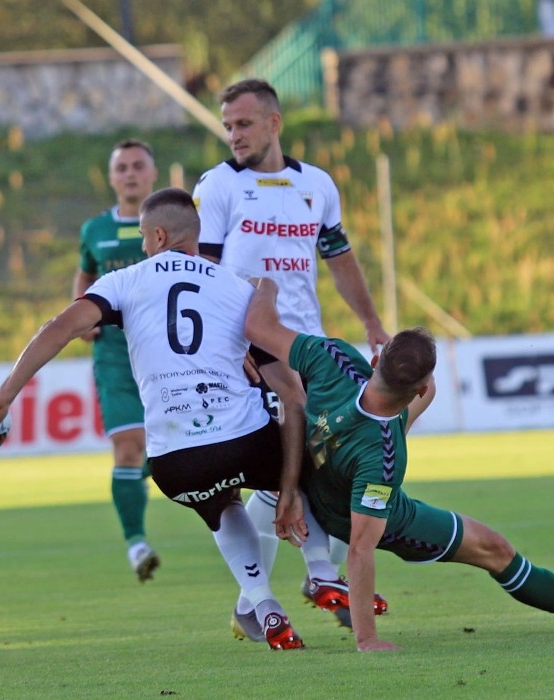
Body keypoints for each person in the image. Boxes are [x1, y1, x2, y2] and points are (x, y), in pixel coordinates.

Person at [0, 188, 332, 650]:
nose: (144, 247)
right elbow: (288, 388)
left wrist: (6, 394)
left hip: (174, 462)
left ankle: (262, 601)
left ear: (158, 234)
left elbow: (61, 328)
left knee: (220, 504)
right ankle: (325, 573)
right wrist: (288, 487)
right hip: (244, 439)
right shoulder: (236, 285)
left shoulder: (125, 281)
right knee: (304, 468)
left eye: (145, 239)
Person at [244, 277, 554, 652]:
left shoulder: (330, 356)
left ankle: (255, 600)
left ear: (374, 361)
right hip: (360, 512)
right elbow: (360, 547)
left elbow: (259, 326)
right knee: (496, 550)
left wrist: (266, 285)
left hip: (314, 475)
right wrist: (367, 639)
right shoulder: (384, 457)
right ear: (416, 387)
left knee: (388, 423)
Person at [192, 77, 392, 630]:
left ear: (274, 123)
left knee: (301, 462)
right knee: (298, 448)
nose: (234, 134)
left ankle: (250, 602)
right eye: (228, 125)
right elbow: (203, 276)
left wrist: (371, 322)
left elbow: (340, 257)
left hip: (309, 342)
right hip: (248, 343)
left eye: (244, 123)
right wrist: (225, 350)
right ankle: (320, 568)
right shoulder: (217, 188)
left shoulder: (317, 185)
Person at [74, 139, 161, 581]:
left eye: (137, 166)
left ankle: (150, 470)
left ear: (153, 174)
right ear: (112, 178)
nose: (129, 174)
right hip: (113, 353)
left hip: (165, 351)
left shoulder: (174, 226)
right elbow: (86, 272)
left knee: (170, 446)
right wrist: (81, 310)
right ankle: (136, 544)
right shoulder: (95, 230)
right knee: (128, 445)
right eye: (121, 167)